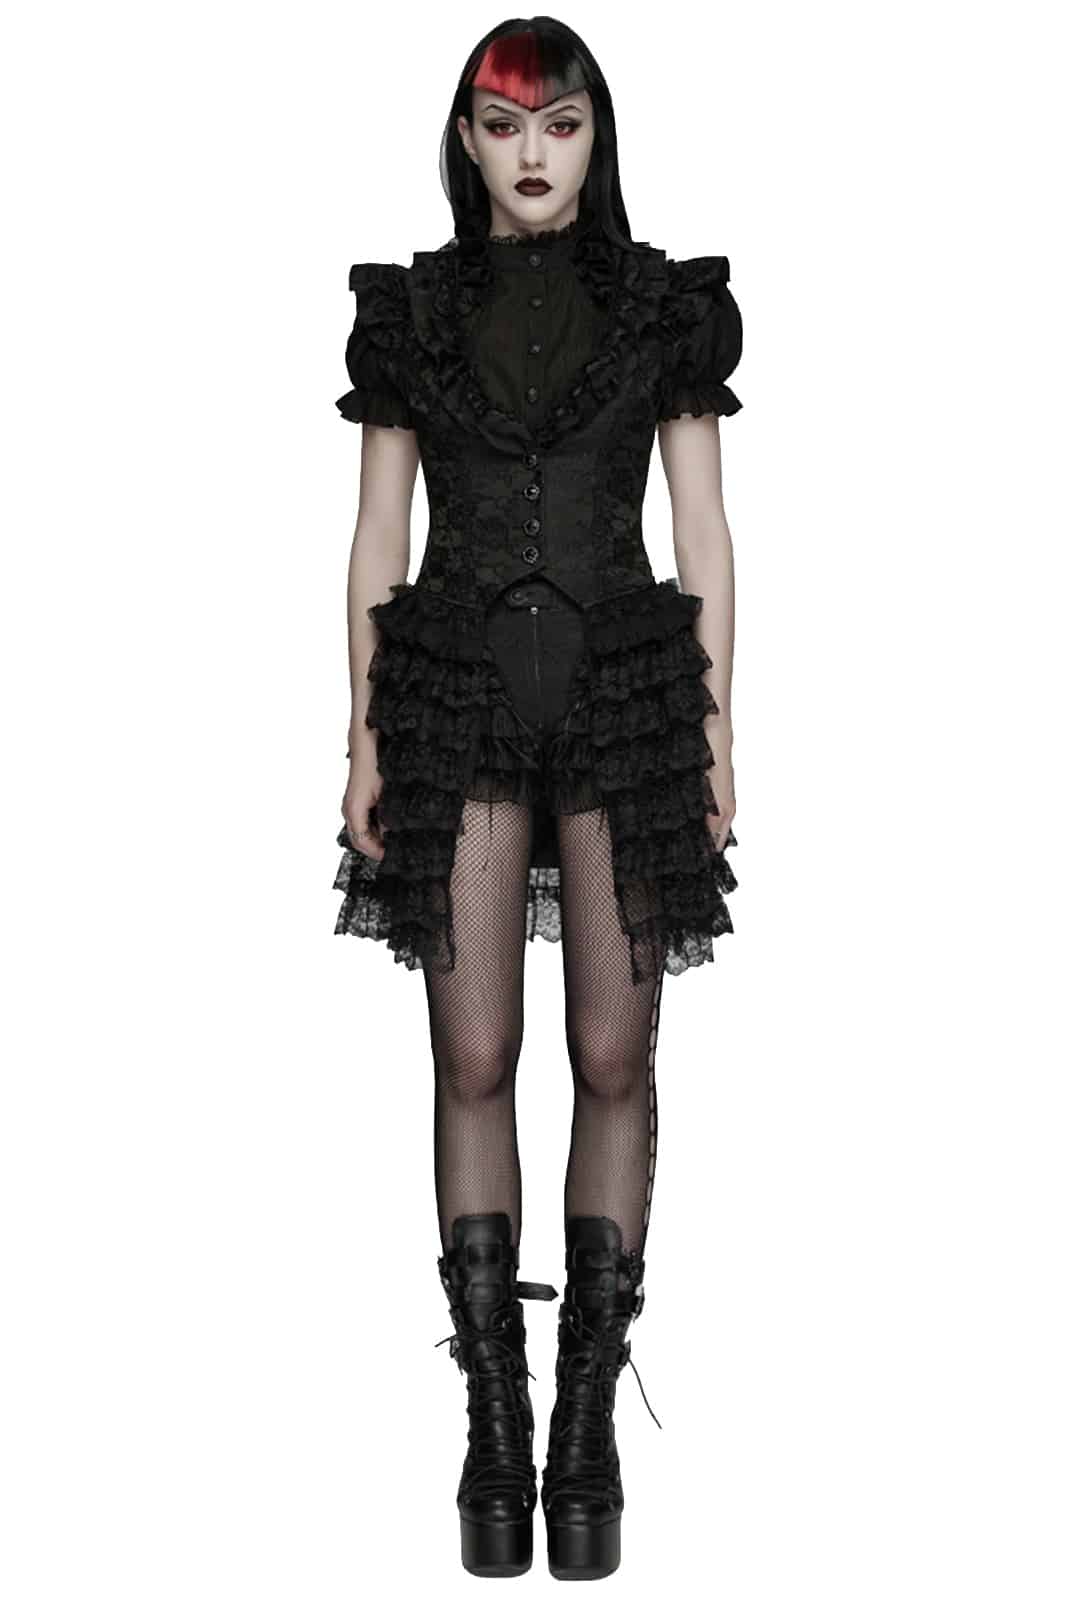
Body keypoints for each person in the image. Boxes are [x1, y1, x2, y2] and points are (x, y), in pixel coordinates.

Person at [331, 17, 742, 1581]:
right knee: (476, 1051)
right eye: (504, 127)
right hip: (457, 690)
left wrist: (721, 736)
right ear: (467, 142)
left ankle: (584, 1437)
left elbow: (705, 536)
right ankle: (495, 1433)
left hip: (629, 692)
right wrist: (361, 737)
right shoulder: (413, 312)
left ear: (594, 138)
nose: (532, 155)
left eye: (559, 125)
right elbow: (377, 540)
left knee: (614, 1052)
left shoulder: (664, 307)